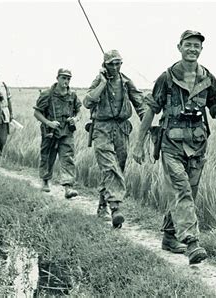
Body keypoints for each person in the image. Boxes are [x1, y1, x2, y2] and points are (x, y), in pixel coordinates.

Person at [132, 30, 216, 264]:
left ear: (201, 50)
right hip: (171, 143)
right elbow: (151, 110)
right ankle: (192, 242)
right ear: (179, 47)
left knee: (188, 191)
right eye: (188, 45)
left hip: (198, 144)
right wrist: (139, 144)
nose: (192, 49)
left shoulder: (207, 78)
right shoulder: (167, 77)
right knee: (181, 189)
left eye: (196, 46)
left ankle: (170, 238)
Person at [83, 50, 145, 228]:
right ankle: (115, 208)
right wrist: (102, 84)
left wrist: (147, 124)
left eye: (118, 63)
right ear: (105, 65)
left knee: (117, 167)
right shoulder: (98, 81)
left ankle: (103, 204)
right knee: (109, 166)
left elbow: (139, 103)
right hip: (101, 129)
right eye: (111, 64)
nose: (116, 67)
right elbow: (87, 102)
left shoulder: (126, 83)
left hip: (122, 130)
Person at [33, 68, 81, 199]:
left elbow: (79, 111)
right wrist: (49, 123)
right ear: (57, 78)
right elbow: (37, 113)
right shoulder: (47, 94)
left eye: (68, 78)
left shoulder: (72, 95)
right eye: (63, 78)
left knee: (68, 158)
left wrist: (75, 119)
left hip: (67, 132)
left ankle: (68, 188)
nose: (66, 81)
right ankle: (45, 181)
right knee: (48, 156)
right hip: (50, 132)